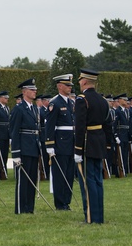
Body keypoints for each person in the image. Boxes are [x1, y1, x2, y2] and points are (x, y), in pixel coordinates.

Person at [74, 69, 112, 224]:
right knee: (97, 181)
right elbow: (108, 124)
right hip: (99, 143)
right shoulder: (103, 100)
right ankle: (99, 216)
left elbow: (80, 126)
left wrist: (77, 149)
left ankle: (90, 217)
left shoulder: (82, 99)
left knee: (88, 182)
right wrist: (108, 145)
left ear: (84, 82)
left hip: (87, 144)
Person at [9, 78, 41, 214]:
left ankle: (29, 207)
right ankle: (21, 208)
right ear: (24, 92)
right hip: (23, 148)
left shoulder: (34, 108)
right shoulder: (19, 109)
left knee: (32, 179)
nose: (35, 92)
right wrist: (15, 154)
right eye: (32, 90)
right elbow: (14, 132)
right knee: (23, 180)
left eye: (35, 89)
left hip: (33, 147)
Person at [45, 74, 75, 211]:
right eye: (67, 85)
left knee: (69, 174)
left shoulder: (71, 103)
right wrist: (50, 145)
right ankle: (60, 203)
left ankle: (67, 201)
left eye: (70, 85)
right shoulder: (54, 103)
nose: (69, 88)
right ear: (59, 86)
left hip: (71, 143)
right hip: (60, 144)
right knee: (60, 175)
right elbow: (50, 126)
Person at [0, 90, 11, 179]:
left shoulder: (7, 108)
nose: (7, 99)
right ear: (0, 98)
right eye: (5, 97)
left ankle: (4, 171)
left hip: (6, 134)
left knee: (5, 154)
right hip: (0, 134)